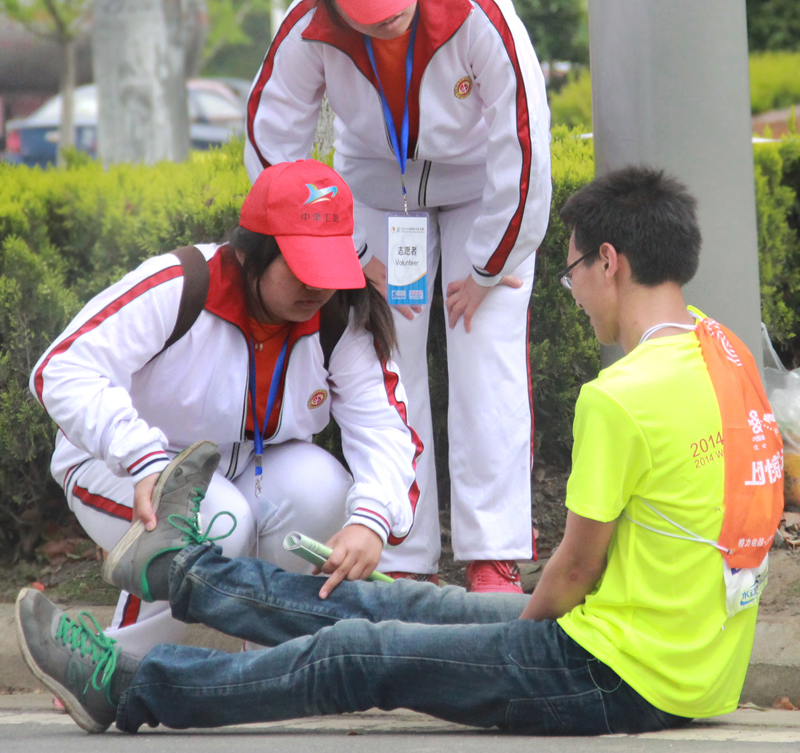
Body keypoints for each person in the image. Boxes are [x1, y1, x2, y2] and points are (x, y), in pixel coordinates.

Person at [17, 166, 783, 736]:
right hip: (683, 658)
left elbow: (575, 569)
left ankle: (127, 683)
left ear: (607, 261)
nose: (573, 290)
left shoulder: (620, 395)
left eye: (572, 269)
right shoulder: (725, 353)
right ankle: (184, 571)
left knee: (362, 652)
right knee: (408, 603)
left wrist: (497, 628)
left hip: (619, 669)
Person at [245, 0, 551, 589]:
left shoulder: (477, 4)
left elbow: (525, 144)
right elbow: (272, 152)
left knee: (488, 352)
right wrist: (348, 258)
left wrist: (490, 263)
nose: (387, 7)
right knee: (386, 349)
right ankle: (405, 552)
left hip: (480, 190)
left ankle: (491, 554)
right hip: (379, 190)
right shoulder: (304, 28)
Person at [29, 158, 421, 656]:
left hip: (245, 467)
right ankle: (111, 665)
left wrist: (371, 520)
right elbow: (60, 367)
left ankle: (268, 665)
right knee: (217, 523)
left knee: (325, 493)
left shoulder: (339, 314)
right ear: (251, 253)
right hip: (119, 464)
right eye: (303, 268)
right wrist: (141, 455)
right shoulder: (182, 282)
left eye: (330, 269)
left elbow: (385, 426)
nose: (319, 287)